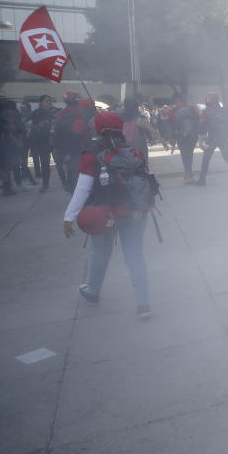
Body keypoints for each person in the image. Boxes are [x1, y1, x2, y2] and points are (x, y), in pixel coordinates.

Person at [63, 111, 153, 319]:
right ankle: (143, 304)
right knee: (135, 255)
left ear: (96, 128)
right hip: (135, 212)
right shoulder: (134, 151)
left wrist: (69, 217)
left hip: (105, 215)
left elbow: (83, 189)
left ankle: (93, 292)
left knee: (100, 253)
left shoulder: (91, 155)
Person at [196, 92, 228, 186]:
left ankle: (202, 180)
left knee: (206, 159)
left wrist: (201, 140)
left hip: (212, 139)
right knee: (227, 157)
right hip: (223, 138)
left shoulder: (206, 112)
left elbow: (203, 126)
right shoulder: (224, 110)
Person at [29, 95, 57, 192]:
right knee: (45, 164)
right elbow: (31, 126)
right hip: (42, 141)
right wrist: (38, 126)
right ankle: (45, 185)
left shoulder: (55, 111)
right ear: (41, 102)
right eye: (47, 101)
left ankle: (67, 183)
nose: (49, 102)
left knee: (60, 162)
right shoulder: (36, 113)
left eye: (50, 100)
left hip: (55, 141)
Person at [171, 96, 201, 183]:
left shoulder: (175, 110)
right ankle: (188, 173)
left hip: (181, 136)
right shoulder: (192, 108)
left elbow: (172, 124)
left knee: (184, 155)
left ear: (178, 101)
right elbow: (198, 121)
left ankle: (189, 175)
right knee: (189, 154)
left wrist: (172, 137)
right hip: (192, 135)